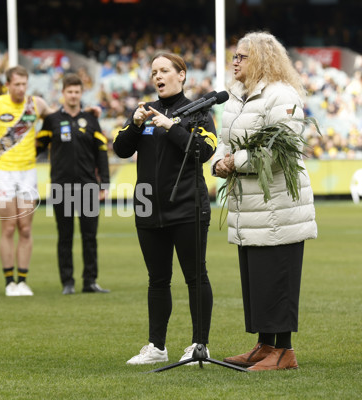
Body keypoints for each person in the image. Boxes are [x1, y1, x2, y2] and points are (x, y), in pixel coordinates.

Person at [212, 31, 317, 371]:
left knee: (277, 275)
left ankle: (284, 352)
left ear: (261, 58)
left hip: (279, 205)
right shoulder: (236, 97)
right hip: (250, 205)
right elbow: (228, 141)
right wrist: (219, 161)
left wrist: (235, 162)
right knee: (256, 276)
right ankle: (265, 344)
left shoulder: (281, 94)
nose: (235, 61)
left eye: (242, 56)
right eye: (235, 56)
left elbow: (281, 148)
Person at [113, 53, 217, 365]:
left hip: (188, 207)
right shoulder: (145, 112)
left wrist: (172, 127)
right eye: (154, 71)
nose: (158, 76)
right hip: (148, 208)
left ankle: (200, 345)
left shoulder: (198, 113)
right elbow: (120, 149)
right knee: (157, 280)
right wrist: (134, 124)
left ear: (181, 75)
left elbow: (204, 151)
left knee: (195, 277)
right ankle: (156, 347)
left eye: (165, 70)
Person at [0, 65, 56, 296]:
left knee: (25, 228)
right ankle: (9, 281)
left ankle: (22, 280)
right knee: (8, 227)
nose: (22, 89)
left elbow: (55, 121)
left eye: (24, 84)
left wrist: (41, 143)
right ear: (8, 84)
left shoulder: (37, 104)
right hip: (4, 172)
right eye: (17, 84)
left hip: (28, 173)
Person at [37, 73, 110, 295]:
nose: (73, 95)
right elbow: (37, 147)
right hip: (61, 187)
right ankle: (67, 282)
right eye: (69, 91)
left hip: (88, 187)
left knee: (90, 237)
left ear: (81, 93)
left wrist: (104, 183)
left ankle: (90, 281)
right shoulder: (52, 121)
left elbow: (102, 153)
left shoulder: (90, 119)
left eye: (77, 92)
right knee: (65, 236)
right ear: (63, 93)